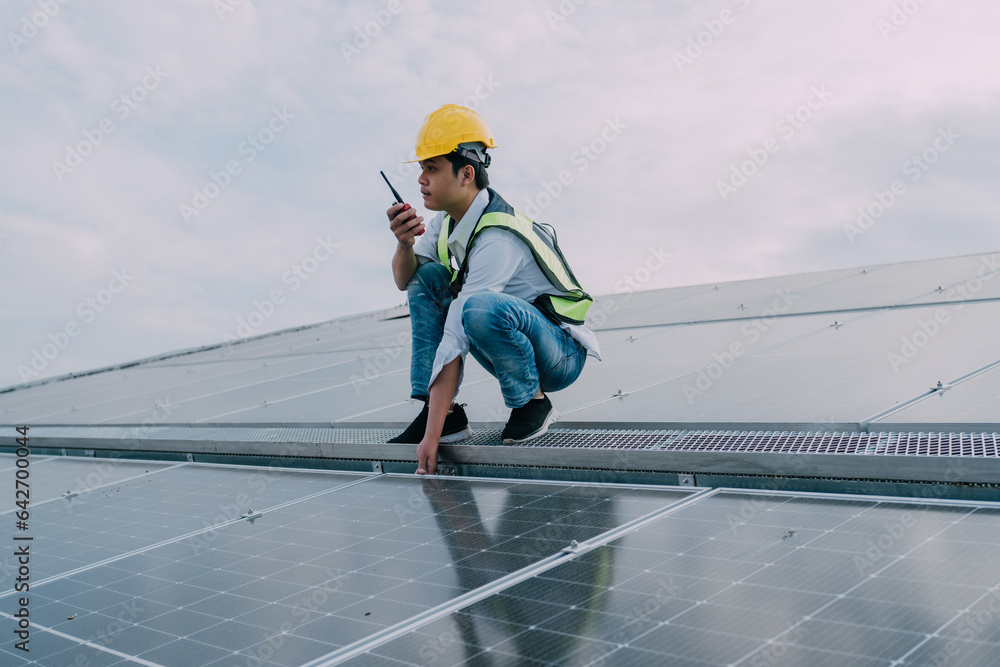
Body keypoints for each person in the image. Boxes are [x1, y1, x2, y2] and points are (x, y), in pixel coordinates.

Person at [385, 104, 601, 474]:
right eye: (422, 169)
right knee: (428, 278)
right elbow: (405, 281)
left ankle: (533, 403)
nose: (421, 179)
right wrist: (404, 244)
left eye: (432, 168)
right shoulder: (446, 223)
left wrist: (430, 440)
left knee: (477, 308)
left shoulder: (499, 234)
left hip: (560, 355)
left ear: (467, 174)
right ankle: (445, 414)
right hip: (516, 340)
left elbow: (456, 332)